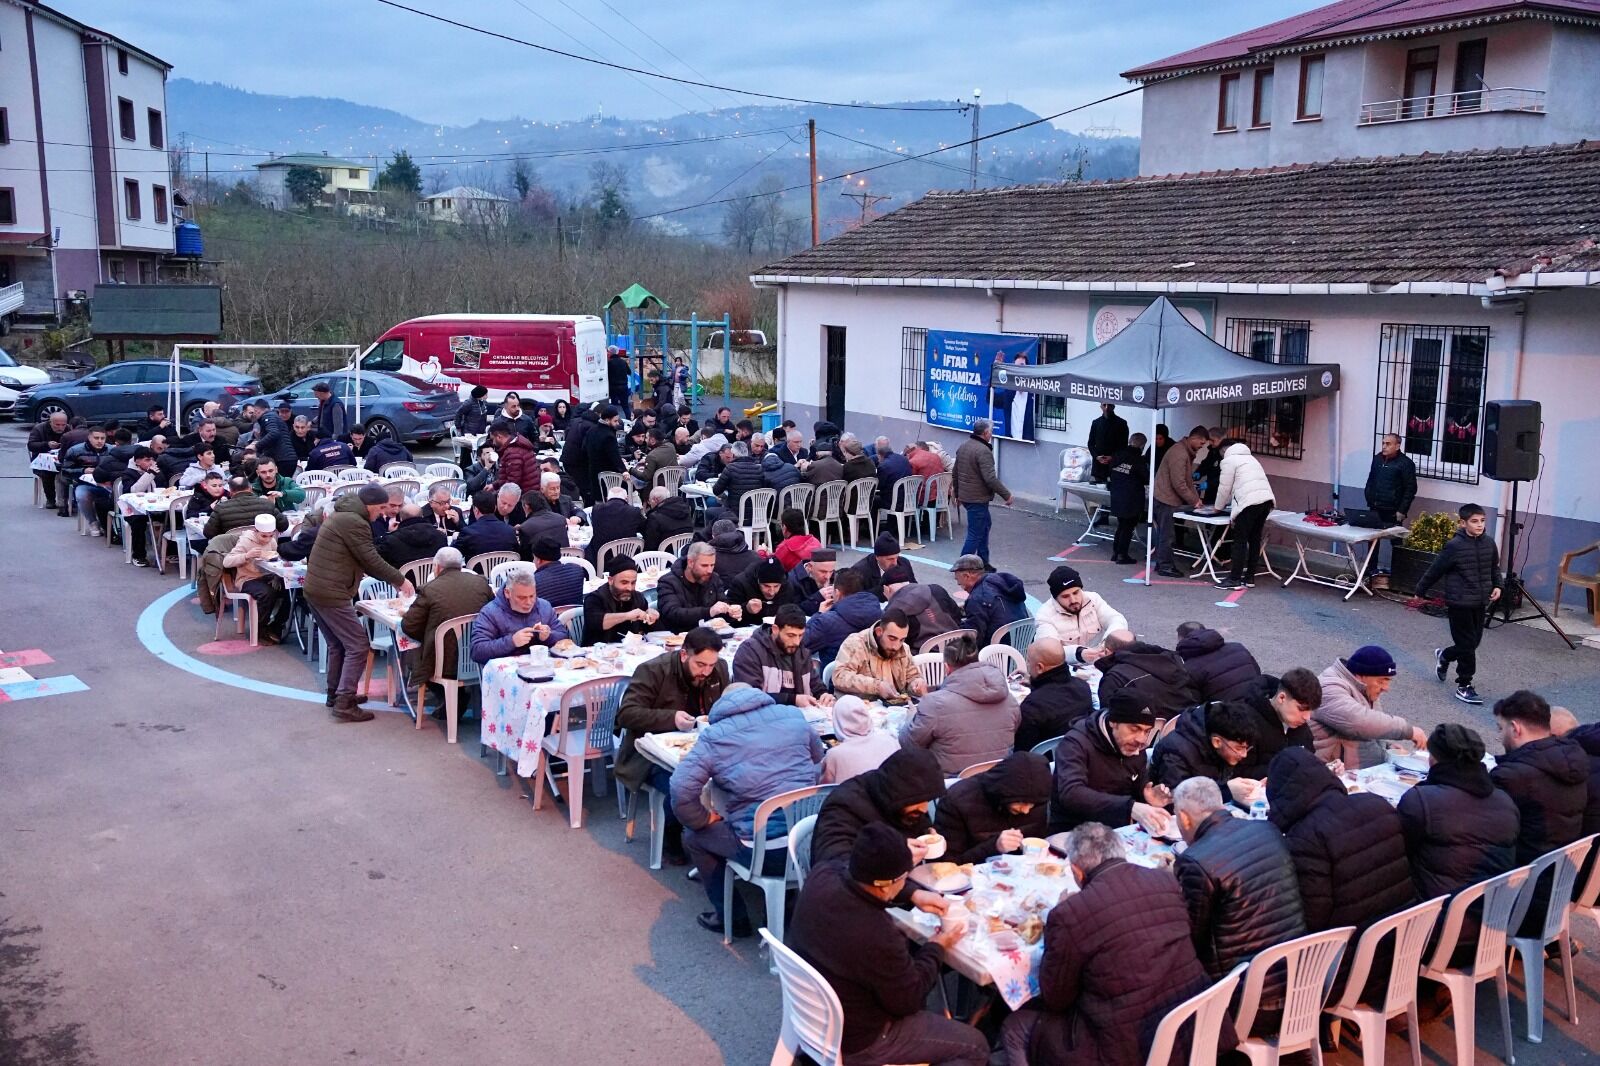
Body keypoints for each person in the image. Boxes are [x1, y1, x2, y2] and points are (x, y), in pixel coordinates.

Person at [1000, 823, 1217, 1066]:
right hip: (1192, 1026)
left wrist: (1061, 919)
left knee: (1015, 1026)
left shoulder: (1070, 913)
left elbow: (1056, 999)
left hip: (1127, 1049)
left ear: (1077, 872)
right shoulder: (1165, 881)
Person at [787, 824, 988, 1066]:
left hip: (812, 1014)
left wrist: (913, 894)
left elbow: (853, 873)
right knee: (975, 1045)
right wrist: (936, 946)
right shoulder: (876, 932)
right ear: (885, 883)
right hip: (862, 1039)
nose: (905, 882)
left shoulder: (822, 874)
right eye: (904, 878)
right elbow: (909, 1000)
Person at [671, 684, 823, 935]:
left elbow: (680, 789)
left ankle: (731, 917)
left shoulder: (715, 736)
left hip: (765, 852)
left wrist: (703, 819)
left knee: (694, 836)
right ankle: (785, 908)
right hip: (810, 841)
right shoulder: (793, 716)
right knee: (779, 815)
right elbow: (818, 757)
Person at [1267, 747, 1417, 1001]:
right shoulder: (1376, 804)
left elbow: (1313, 919)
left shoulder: (1307, 836)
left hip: (1347, 968)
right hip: (1403, 948)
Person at [1396, 723, 1520, 961]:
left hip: (1432, 936)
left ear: (1433, 758)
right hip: (1493, 931)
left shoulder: (1422, 801)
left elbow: (1399, 856)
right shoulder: (1505, 801)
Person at [1172, 777, 1307, 993]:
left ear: (1184, 818)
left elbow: (1192, 936)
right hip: (1299, 977)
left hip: (1241, 992)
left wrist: (1168, 883)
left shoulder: (1196, 861)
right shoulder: (1268, 830)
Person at [304, 486, 414, 721]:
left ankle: (335, 694)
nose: (383, 513)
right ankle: (344, 702)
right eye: (381, 507)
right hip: (331, 591)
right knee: (358, 645)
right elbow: (370, 559)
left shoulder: (343, 515)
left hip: (316, 588)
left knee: (338, 644)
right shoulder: (355, 522)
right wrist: (400, 580)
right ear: (369, 505)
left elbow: (363, 559)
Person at [1490, 690, 1589, 935]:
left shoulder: (1514, 776)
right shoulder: (1574, 762)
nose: (1500, 736)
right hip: (1554, 896)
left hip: (1517, 903)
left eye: (1501, 728)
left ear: (1515, 728)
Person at [811, 748, 948, 885]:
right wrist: (895, 860)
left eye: (927, 800)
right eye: (917, 801)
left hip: (902, 884)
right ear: (897, 796)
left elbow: (915, 827)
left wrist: (927, 835)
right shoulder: (844, 805)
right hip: (858, 890)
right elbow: (835, 867)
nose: (924, 809)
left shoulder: (907, 798)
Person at [1050, 689, 1171, 834]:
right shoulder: (1075, 743)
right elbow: (1071, 794)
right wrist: (1130, 807)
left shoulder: (1135, 747)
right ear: (1113, 722)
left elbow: (1135, 788)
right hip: (1075, 830)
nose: (1141, 739)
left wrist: (1146, 796)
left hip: (1118, 829)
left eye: (1147, 731)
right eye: (1134, 729)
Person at [1416, 503, 1503, 705]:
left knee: (1473, 643)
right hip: (1459, 602)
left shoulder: (1489, 543)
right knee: (1467, 646)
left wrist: (1498, 585)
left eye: (1482, 521)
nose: (1479, 525)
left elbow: (1494, 567)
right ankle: (1464, 685)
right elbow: (1435, 569)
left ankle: (1445, 655)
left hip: (1480, 601)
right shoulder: (1454, 546)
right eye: (1474, 521)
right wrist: (1420, 590)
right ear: (1463, 523)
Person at [901, 634, 1020, 775]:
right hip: (999, 778)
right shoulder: (1009, 698)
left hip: (951, 782)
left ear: (946, 668)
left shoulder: (934, 704)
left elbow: (909, 744)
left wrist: (911, 717)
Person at [399, 546, 492, 708]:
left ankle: (453, 699)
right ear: (460, 565)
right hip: (480, 653)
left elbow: (409, 626)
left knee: (416, 655)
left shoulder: (429, 589)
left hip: (444, 661)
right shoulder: (481, 583)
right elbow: (493, 612)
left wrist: (430, 633)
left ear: (437, 567)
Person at [1312, 645, 1426, 769]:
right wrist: (1407, 730)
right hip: (1330, 772)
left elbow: (1371, 728)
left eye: (1388, 681)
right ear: (1360, 675)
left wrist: (1386, 747)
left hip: (1360, 770)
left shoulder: (1364, 688)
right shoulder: (1328, 688)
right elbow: (1358, 722)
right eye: (1381, 681)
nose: (1386, 688)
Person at [934, 752, 1050, 863]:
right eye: (1021, 802)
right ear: (1003, 792)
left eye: (1032, 804)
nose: (1026, 810)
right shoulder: (957, 801)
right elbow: (947, 863)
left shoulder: (1038, 798)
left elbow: (1039, 839)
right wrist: (993, 846)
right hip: (972, 871)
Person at [1149, 700, 1263, 803]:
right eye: (1239, 748)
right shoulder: (1177, 751)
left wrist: (1252, 786)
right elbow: (1177, 798)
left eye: (1247, 748)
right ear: (1217, 742)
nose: (1244, 754)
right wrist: (1226, 791)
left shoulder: (1224, 748)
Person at [1231, 668, 1322, 780]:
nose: (1307, 717)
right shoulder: (1246, 723)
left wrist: (1325, 768)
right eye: (1301, 709)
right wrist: (1284, 768)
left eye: (1310, 711)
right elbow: (1236, 773)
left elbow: (1309, 759)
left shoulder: (1299, 725)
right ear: (1281, 698)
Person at [732, 604, 828, 706]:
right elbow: (749, 697)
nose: (796, 642)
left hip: (801, 713)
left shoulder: (802, 653)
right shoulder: (750, 651)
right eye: (791, 635)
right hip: (764, 713)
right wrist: (793, 700)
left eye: (800, 635)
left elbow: (815, 685)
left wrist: (823, 695)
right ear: (775, 630)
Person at [1211, 439, 1275, 591]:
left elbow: (1224, 488)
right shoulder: (1251, 458)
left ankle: (1234, 578)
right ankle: (1250, 577)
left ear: (1224, 451)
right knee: (1255, 539)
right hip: (1266, 501)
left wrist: (1217, 508)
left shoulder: (1229, 461)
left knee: (1240, 540)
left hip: (1248, 503)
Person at [469, 569, 570, 663]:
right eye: (522, 597)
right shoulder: (490, 612)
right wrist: (512, 641)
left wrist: (548, 636)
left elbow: (564, 636)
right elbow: (477, 651)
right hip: (507, 671)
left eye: (532, 596)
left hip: (541, 666)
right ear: (507, 593)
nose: (529, 602)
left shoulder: (544, 606)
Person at [1095, 631, 1200, 718]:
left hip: (1144, 729)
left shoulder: (1114, 678)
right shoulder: (1170, 660)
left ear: (1107, 651)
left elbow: (1108, 717)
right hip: (1186, 721)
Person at [1016, 637, 1095, 752]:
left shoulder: (1032, 707)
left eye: (1028, 661)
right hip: (1080, 753)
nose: (1027, 664)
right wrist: (1035, 683)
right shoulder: (1083, 687)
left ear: (1040, 667)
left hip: (1047, 760)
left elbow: (1022, 751)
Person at [1033, 566, 1128, 661]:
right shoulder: (1045, 614)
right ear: (1056, 598)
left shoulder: (1093, 599)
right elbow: (1048, 650)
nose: (1073, 600)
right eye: (1065, 596)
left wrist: (1107, 643)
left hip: (1100, 660)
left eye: (1076, 593)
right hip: (1066, 665)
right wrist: (1078, 654)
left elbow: (1117, 619)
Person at [952, 418, 1012, 566]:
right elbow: (990, 478)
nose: (991, 434)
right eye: (991, 432)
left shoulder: (964, 446)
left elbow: (955, 472)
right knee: (975, 534)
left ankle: (984, 563)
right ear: (985, 433)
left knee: (984, 526)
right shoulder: (983, 451)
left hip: (967, 496)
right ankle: (962, 566)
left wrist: (958, 494)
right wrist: (1007, 495)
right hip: (977, 498)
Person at [833, 609, 924, 702]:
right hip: (859, 705)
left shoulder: (904, 648)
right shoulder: (855, 644)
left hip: (894, 706)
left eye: (902, 640)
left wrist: (915, 683)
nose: (896, 646)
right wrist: (876, 686)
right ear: (879, 631)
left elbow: (912, 675)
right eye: (892, 638)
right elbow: (839, 677)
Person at [1152, 426, 1206, 577]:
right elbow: (1180, 483)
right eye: (1201, 443)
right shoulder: (1180, 454)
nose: (1202, 447)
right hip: (1166, 498)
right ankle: (1165, 565)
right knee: (1166, 534)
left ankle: (1162, 563)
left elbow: (1186, 481)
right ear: (1194, 438)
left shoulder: (1182, 451)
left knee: (1164, 533)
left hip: (1165, 496)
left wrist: (1195, 499)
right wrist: (1194, 500)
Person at [802, 568, 882, 668]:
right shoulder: (880, 613)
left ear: (837, 593)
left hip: (836, 674)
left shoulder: (827, 621)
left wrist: (819, 614)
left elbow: (800, 643)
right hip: (872, 672)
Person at [655, 541, 739, 631]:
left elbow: (722, 606)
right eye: (704, 565)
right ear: (690, 563)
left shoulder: (714, 578)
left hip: (710, 634)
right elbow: (673, 614)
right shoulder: (668, 582)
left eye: (712, 565)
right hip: (678, 634)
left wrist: (731, 612)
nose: (709, 570)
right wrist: (709, 612)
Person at [1363, 433, 1417, 570]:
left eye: (1388, 444)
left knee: (1396, 541)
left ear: (1397, 446)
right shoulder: (1377, 459)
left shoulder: (1405, 463)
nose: (1384, 446)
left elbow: (1410, 489)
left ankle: (1398, 573)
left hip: (1393, 510)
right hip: (1375, 507)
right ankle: (1370, 571)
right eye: (1383, 443)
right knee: (1372, 540)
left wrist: (1402, 510)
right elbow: (1371, 479)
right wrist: (1368, 496)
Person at [1175, 621, 1262, 703]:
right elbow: (1257, 673)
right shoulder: (1238, 647)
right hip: (1258, 703)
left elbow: (1193, 702)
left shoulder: (1189, 668)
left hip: (1227, 711)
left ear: (1182, 639)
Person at [821, 695, 901, 784]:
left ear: (837, 722)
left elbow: (824, 787)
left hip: (854, 793)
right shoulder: (890, 740)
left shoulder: (835, 755)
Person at [950, 554, 1027, 645]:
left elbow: (974, 638)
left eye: (959, 582)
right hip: (1024, 642)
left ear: (967, 576)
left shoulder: (977, 598)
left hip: (999, 649)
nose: (960, 586)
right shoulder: (999, 582)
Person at [583, 553, 658, 642]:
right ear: (611, 580)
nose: (629, 588)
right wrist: (627, 616)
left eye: (633, 583)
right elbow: (597, 623)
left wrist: (651, 616)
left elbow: (646, 629)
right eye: (624, 583)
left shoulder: (638, 597)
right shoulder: (594, 599)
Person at [1105, 431, 1148, 563]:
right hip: (1131, 498)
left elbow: (1110, 471)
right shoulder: (1138, 460)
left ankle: (1116, 553)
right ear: (1142, 446)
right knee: (1128, 527)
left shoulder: (1118, 454)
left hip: (1117, 494)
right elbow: (1146, 478)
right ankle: (1122, 555)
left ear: (1130, 441)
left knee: (1121, 525)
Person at [886, 582, 963, 649]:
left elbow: (899, 643)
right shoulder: (937, 591)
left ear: (888, 589)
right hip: (957, 647)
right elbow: (957, 616)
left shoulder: (895, 614)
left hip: (925, 655)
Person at [204, 478, 288, 539]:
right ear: (250, 488)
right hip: (264, 550)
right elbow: (283, 526)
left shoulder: (221, 508)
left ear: (230, 491)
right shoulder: (267, 504)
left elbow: (208, 533)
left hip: (232, 552)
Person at [728, 555, 799, 626]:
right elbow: (728, 619)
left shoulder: (787, 586)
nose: (771, 592)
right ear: (758, 581)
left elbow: (793, 612)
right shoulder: (740, 583)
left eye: (776, 586)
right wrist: (746, 609)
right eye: (766, 586)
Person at [586, 485, 645, 566]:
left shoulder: (596, 509)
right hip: (627, 557)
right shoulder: (634, 511)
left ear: (607, 499)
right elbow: (644, 528)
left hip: (601, 559)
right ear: (626, 499)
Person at [453, 489, 519, 561]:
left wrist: (454, 540)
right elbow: (517, 554)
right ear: (495, 508)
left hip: (475, 568)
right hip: (503, 568)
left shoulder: (468, 532)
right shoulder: (510, 531)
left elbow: (452, 557)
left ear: (476, 510)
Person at [378, 501, 446, 568]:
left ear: (401, 518)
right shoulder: (441, 536)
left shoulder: (391, 540)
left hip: (400, 575)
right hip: (433, 574)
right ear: (422, 516)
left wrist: (389, 533)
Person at [849, 533, 915, 601]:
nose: (895, 563)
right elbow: (853, 600)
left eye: (897, 557)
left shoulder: (904, 563)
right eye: (890, 559)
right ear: (877, 557)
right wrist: (884, 589)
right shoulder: (860, 571)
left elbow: (914, 587)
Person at [581, 404, 626, 504]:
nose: (617, 423)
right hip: (609, 476)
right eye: (615, 421)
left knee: (599, 502)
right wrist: (624, 470)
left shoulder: (591, 430)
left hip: (594, 473)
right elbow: (614, 456)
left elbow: (584, 448)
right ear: (607, 420)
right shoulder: (609, 435)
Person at [526, 536, 584, 609]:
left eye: (534, 558)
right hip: (577, 615)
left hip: (547, 616)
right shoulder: (577, 570)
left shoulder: (534, 581)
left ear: (538, 560)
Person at [27, 411, 68, 511]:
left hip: (61, 459)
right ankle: (50, 499)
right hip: (42, 461)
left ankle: (66, 500)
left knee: (68, 472)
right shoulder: (39, 429)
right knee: (47, 473)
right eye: (57, 425)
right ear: (50, 422)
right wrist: (47, 444)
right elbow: (31, 445)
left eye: (63, 425)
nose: (60, 428)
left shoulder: (68, 429)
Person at [712, 439, 765, 513]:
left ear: (733, 454)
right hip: (757, 513)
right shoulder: (760, 468)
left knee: (709, 512)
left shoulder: (730, 468)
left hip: (735, 513)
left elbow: (716, 491)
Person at [488, 419, 538, 496]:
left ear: (499, 437)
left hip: (523, 497)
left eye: (493, 439)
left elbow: (512, 484)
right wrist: (494, 485)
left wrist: (494, 495)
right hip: (529, 493)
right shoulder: (518, 446)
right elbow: (511, 476)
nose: (493, 443)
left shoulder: (513, 453)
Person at [247, 397, 300, 469]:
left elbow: (273, 433)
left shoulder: (268, 417)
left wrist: (256, 446)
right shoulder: (274, 416)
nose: (255, 414)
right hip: (286, 458)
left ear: (257, 410)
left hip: (282, 459)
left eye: (254, 412)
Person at [1087, 403, 1129, 486]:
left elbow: (1124, 446)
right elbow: (1090, 443)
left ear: (1113, 407)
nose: (1106, 408)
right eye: (1104, 405)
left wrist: (1112, 457)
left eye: (1109, 405)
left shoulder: (1122, 423)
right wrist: (1097, 457)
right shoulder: (1096, 423)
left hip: (1114, 465)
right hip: (1098, 467)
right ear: (1101, 407)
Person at [514, 492, 568, 558]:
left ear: (526, 506)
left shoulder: (526, 528)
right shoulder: (561, 518)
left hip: (541, 561)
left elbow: (524, 555)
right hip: (565, 559)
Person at [640, 486, 694, 551]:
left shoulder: (654, 517)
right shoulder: (685, 510)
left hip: (664, 554)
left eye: (649, 501)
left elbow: (650, 546)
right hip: (684, 551)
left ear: (655, 500)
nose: (649, 503)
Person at [785, 549, 837, 613]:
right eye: (823, 572)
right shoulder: (792, 580)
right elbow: (791, 612)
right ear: (810, 567)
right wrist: (818, 597)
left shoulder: (835, 576)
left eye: (831, 571)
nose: (828, 576)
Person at [453, 384, 493, 464]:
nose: (487, 396)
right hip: (469, 432)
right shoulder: (468, 403)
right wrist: (458, 426)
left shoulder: (483, 403)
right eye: (485, 394)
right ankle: (464, 468)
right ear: (480, 395)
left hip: (480, 432)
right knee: (467, 454)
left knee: (479, 452)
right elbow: (458, 413)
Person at [873, 437, 914, 506]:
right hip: (908, 500)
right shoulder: (904, 459)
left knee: (870, 499)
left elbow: (879, 486)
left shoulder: (884, 465)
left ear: (879, 455)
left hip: (892, 503)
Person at [607, 346, 631, 412]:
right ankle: (629, 417)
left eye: (608, 352)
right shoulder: (623, 362)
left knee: (613, 406)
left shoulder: (609, 363)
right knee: (625, 406)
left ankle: (614, 417)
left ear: (610, 353)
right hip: (624, 386)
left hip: (613, 387)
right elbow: (629, 372)